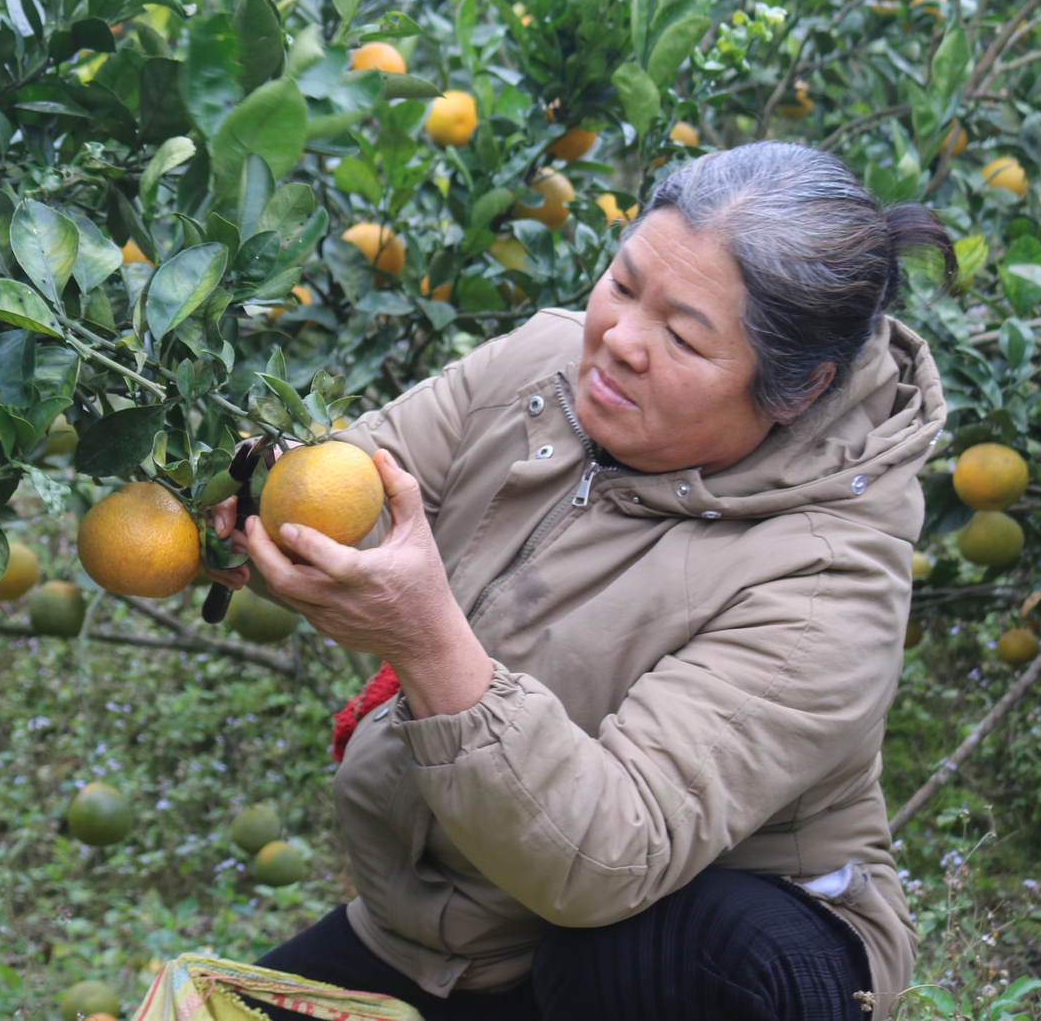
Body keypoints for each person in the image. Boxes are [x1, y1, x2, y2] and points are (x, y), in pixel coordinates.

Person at [207, 142, 954, 1019]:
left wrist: (427, 638)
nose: (620, 342)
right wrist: (252, 499)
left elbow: (608, 857)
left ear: (797, 388)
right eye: (624, 283)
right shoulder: (543, 368)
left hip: (687, 946)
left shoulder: (828, 580)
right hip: (467, 930)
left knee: (654, 954)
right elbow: (359, 488)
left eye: (682, 336)